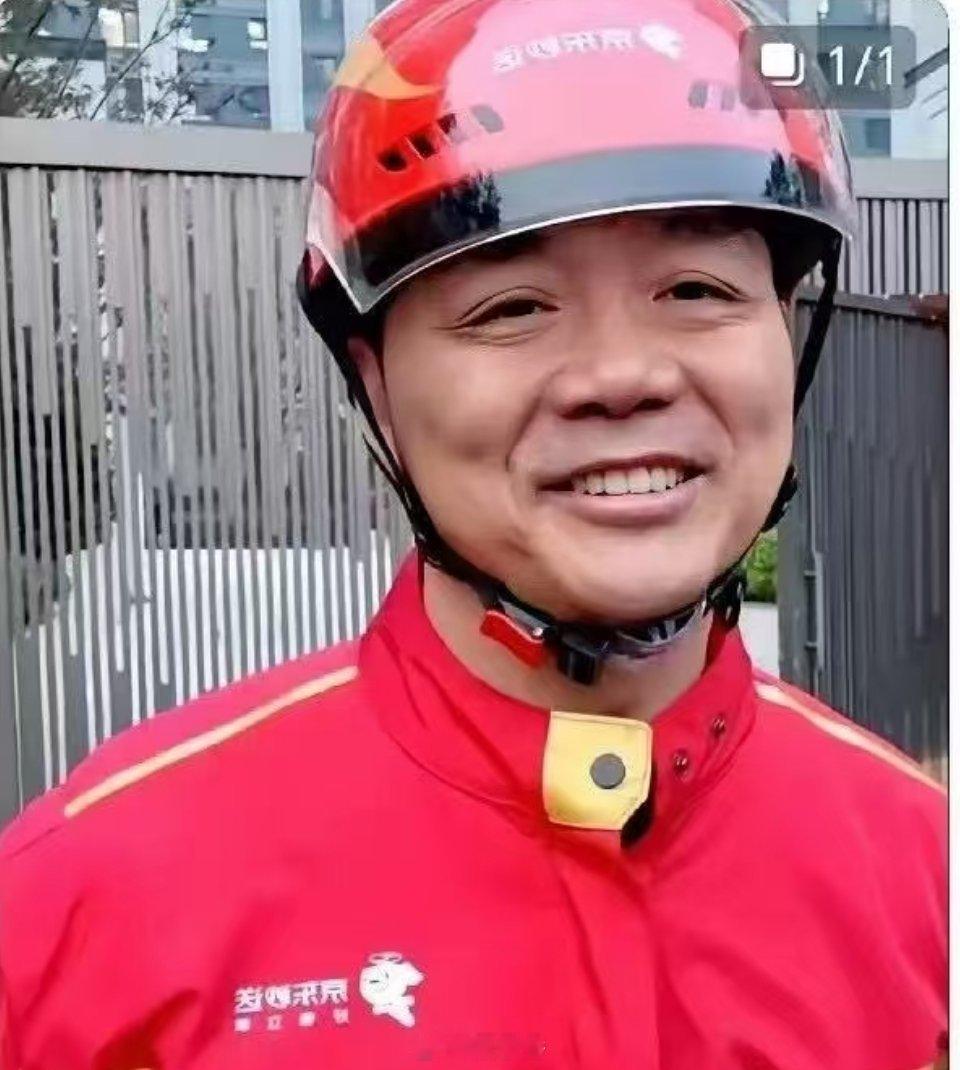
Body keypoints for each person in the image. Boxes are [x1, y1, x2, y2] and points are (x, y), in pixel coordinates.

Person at [0, 0, 947, 1066]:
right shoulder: (77, 918)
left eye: (696, 288)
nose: (622, 375)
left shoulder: (923, 873)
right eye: (512, 307)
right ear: (376, 385)